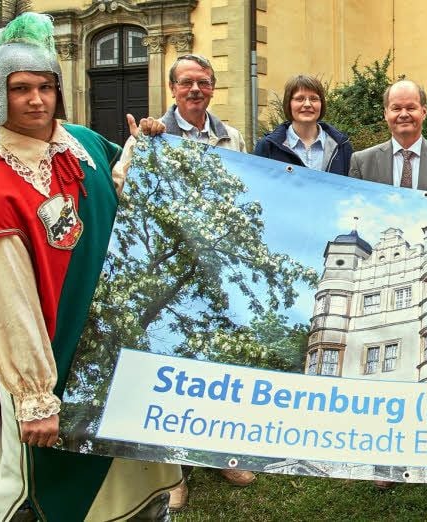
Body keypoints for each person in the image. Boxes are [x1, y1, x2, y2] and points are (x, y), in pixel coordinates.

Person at [0, 13, 180, 521]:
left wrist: (149, 145)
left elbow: (126, 188)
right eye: (20, 88)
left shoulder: (85, 145)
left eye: (46, 86)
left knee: (127, 475)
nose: (36, 99)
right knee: (41, 491)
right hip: (55, 364)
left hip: (114, 350)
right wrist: (35, 396)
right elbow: (4, 304)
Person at [155, 53, 256, 510]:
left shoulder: (230, 137)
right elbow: (125, 188)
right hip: (173, 269)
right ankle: (174, 471)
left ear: (213, 87)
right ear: (173, 89)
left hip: (219, 265)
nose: (196, 90)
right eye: (187, 83)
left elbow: (247, 189)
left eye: (204, 82)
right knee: (175, 364)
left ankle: (223, 451)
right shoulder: (152, 135)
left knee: (221, 360)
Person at [349, 79, 427, 190]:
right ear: (385, 114)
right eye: (396, 108)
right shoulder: (362, 163)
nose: (404, 114)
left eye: (411, 108)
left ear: (424, 112)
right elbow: (355, 209)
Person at [254, 74, 353, 175]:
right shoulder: (268, 147)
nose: (307, 104)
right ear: (289, 104)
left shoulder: (342, 147)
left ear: (321, 104)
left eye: (314, 99)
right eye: (299, 99)